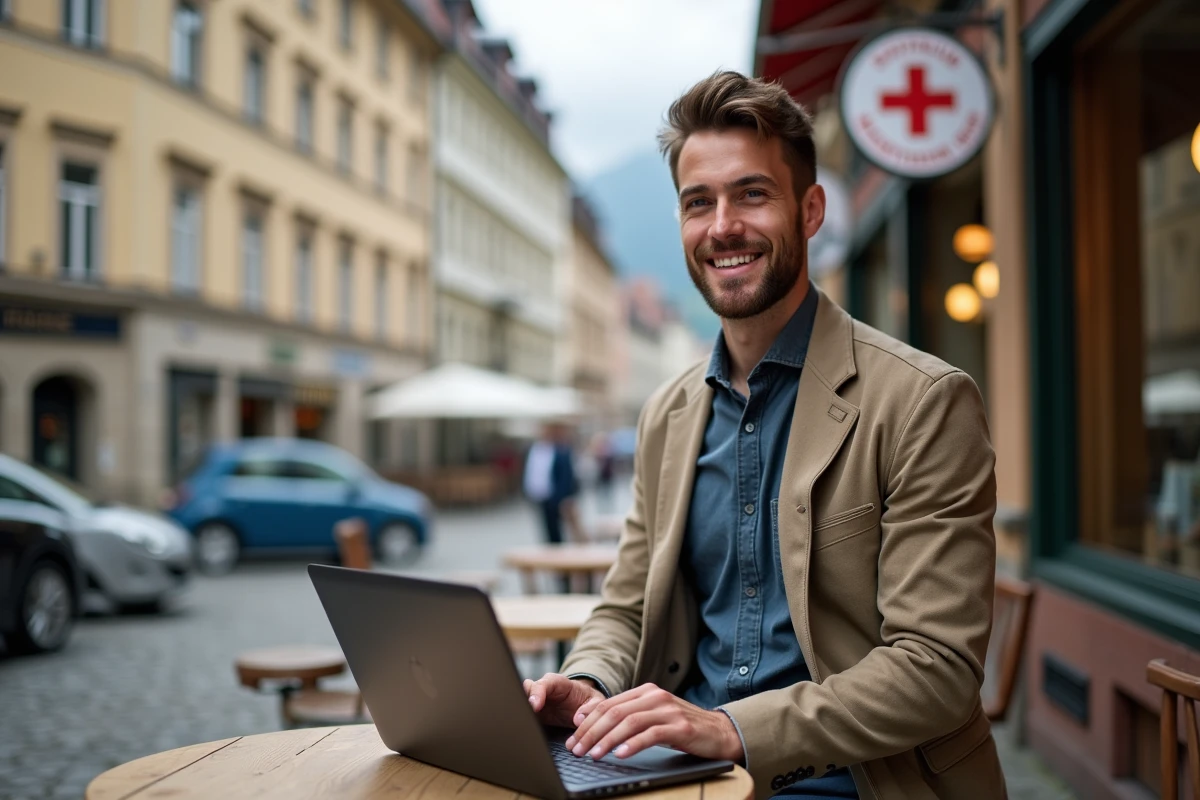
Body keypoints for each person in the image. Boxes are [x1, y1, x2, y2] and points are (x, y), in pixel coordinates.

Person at [523, 72, 1004, 800]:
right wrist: (587, 682)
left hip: (859, 781)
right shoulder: (667, 414)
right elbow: (625, 606)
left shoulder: (923, 402)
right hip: (689, 776)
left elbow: (934, 667)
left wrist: (731, 730)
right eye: (698, 203)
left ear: (809, 211)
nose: (722, 227)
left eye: (751, 194)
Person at [523, 421, 581, 548]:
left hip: (555, 497)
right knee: (546, 528)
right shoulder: (534, 449)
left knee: (557, 530)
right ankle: (550, 551)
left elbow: (566, 476)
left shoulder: (561, 450)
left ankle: (558, 555)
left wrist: (563, 497)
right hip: (538, 495)